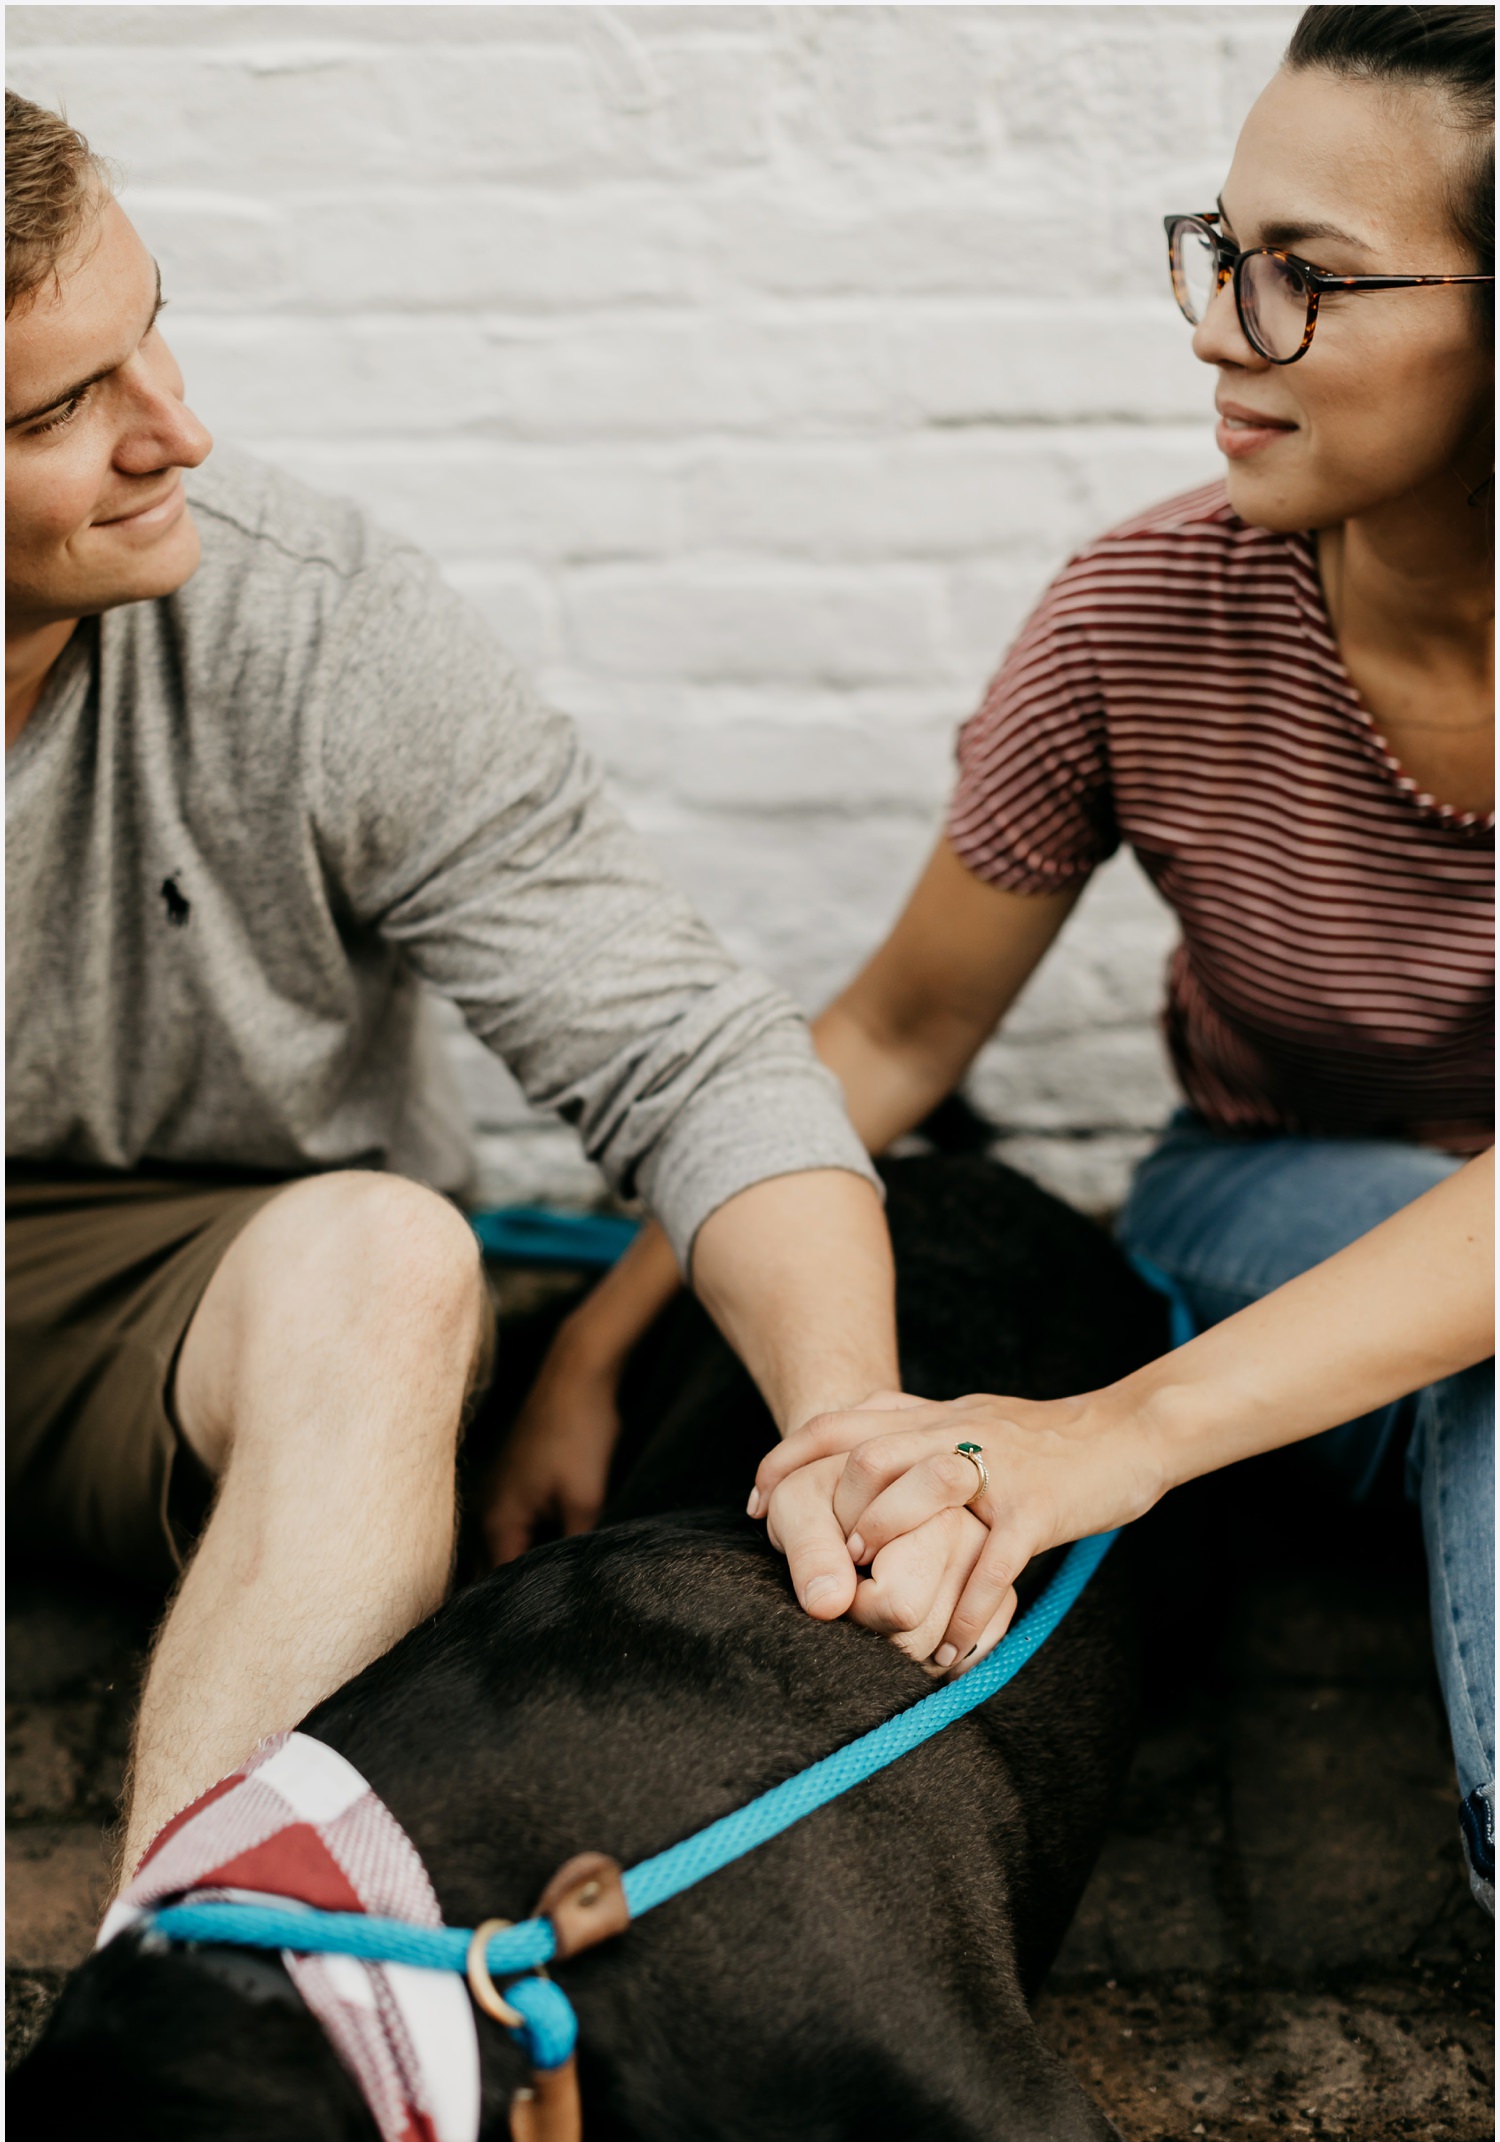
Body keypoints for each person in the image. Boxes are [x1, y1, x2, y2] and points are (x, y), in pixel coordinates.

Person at [495, 5, 1496, 1906]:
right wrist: (594, 1354)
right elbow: (892, 1026)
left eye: (1310, 280)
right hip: (1273, 1199)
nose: (1218, 325)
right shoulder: (1140, 619)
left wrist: (1103, 1444)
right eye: (1224, 250)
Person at [4, 90, 904, 1882]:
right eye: (54, 408)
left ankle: (199, 2012)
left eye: (152, 327)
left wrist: (849, 1420)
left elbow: (687, 1048)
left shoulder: (308, 618)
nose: (176, 430)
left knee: (397, 1259)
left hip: (194, 1300)